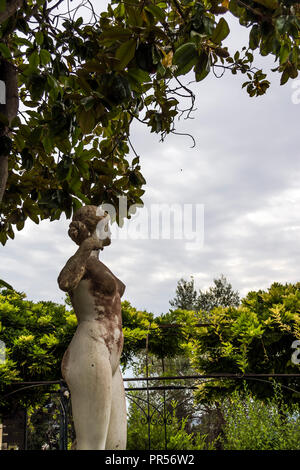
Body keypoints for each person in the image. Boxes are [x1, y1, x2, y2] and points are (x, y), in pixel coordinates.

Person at [57, 205, 127, 450]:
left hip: (111, 356)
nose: (109, 229)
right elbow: (65, 282)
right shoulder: (81, 260)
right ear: (89, 228)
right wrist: (85, 247)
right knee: (92, 444)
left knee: (117, 444)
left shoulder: (100, 265)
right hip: (91, 347)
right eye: (103, 224)